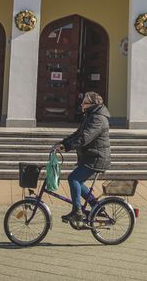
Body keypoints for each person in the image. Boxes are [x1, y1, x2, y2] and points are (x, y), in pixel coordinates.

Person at [56, 91, 110, 223]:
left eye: (84, 102)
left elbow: (85, 138)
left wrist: (67, 147)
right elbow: (78, 133)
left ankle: (77, 211)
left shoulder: (98, 119)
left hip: (96, 158)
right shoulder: (91, 116)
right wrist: (63, 143)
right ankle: (97, 207)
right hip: (90, 157)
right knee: (78, 182)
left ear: (92, 104)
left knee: (73, 178)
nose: (81, 104)